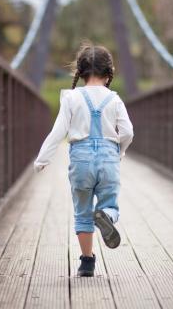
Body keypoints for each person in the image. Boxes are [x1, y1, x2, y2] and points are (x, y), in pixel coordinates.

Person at [34, 42, 134, 277]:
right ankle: (107, 216)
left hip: (81, 159)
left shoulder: (71, 98)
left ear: (80, 72)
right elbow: (128, 131)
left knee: (82, 211)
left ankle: (87, 262)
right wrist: (120, 151)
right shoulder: (115, 99)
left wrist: (42, 159)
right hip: (109, 157)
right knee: (109, 203)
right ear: (109, 73)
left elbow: (58, 132)